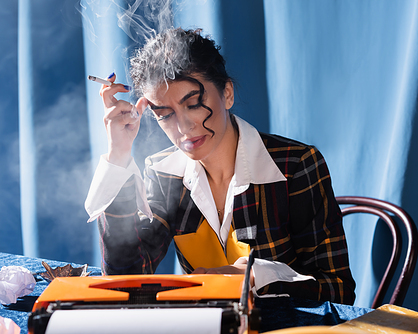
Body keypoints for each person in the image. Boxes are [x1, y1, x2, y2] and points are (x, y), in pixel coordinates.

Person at [85, 28, 355, 304]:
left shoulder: (295, 167)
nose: (184, 127)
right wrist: (118, 154)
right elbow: (126, 278)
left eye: (193, 104)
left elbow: (338, 291)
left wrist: (255, 277)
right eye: (165, 115)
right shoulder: (165, 174)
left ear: (227, 93)